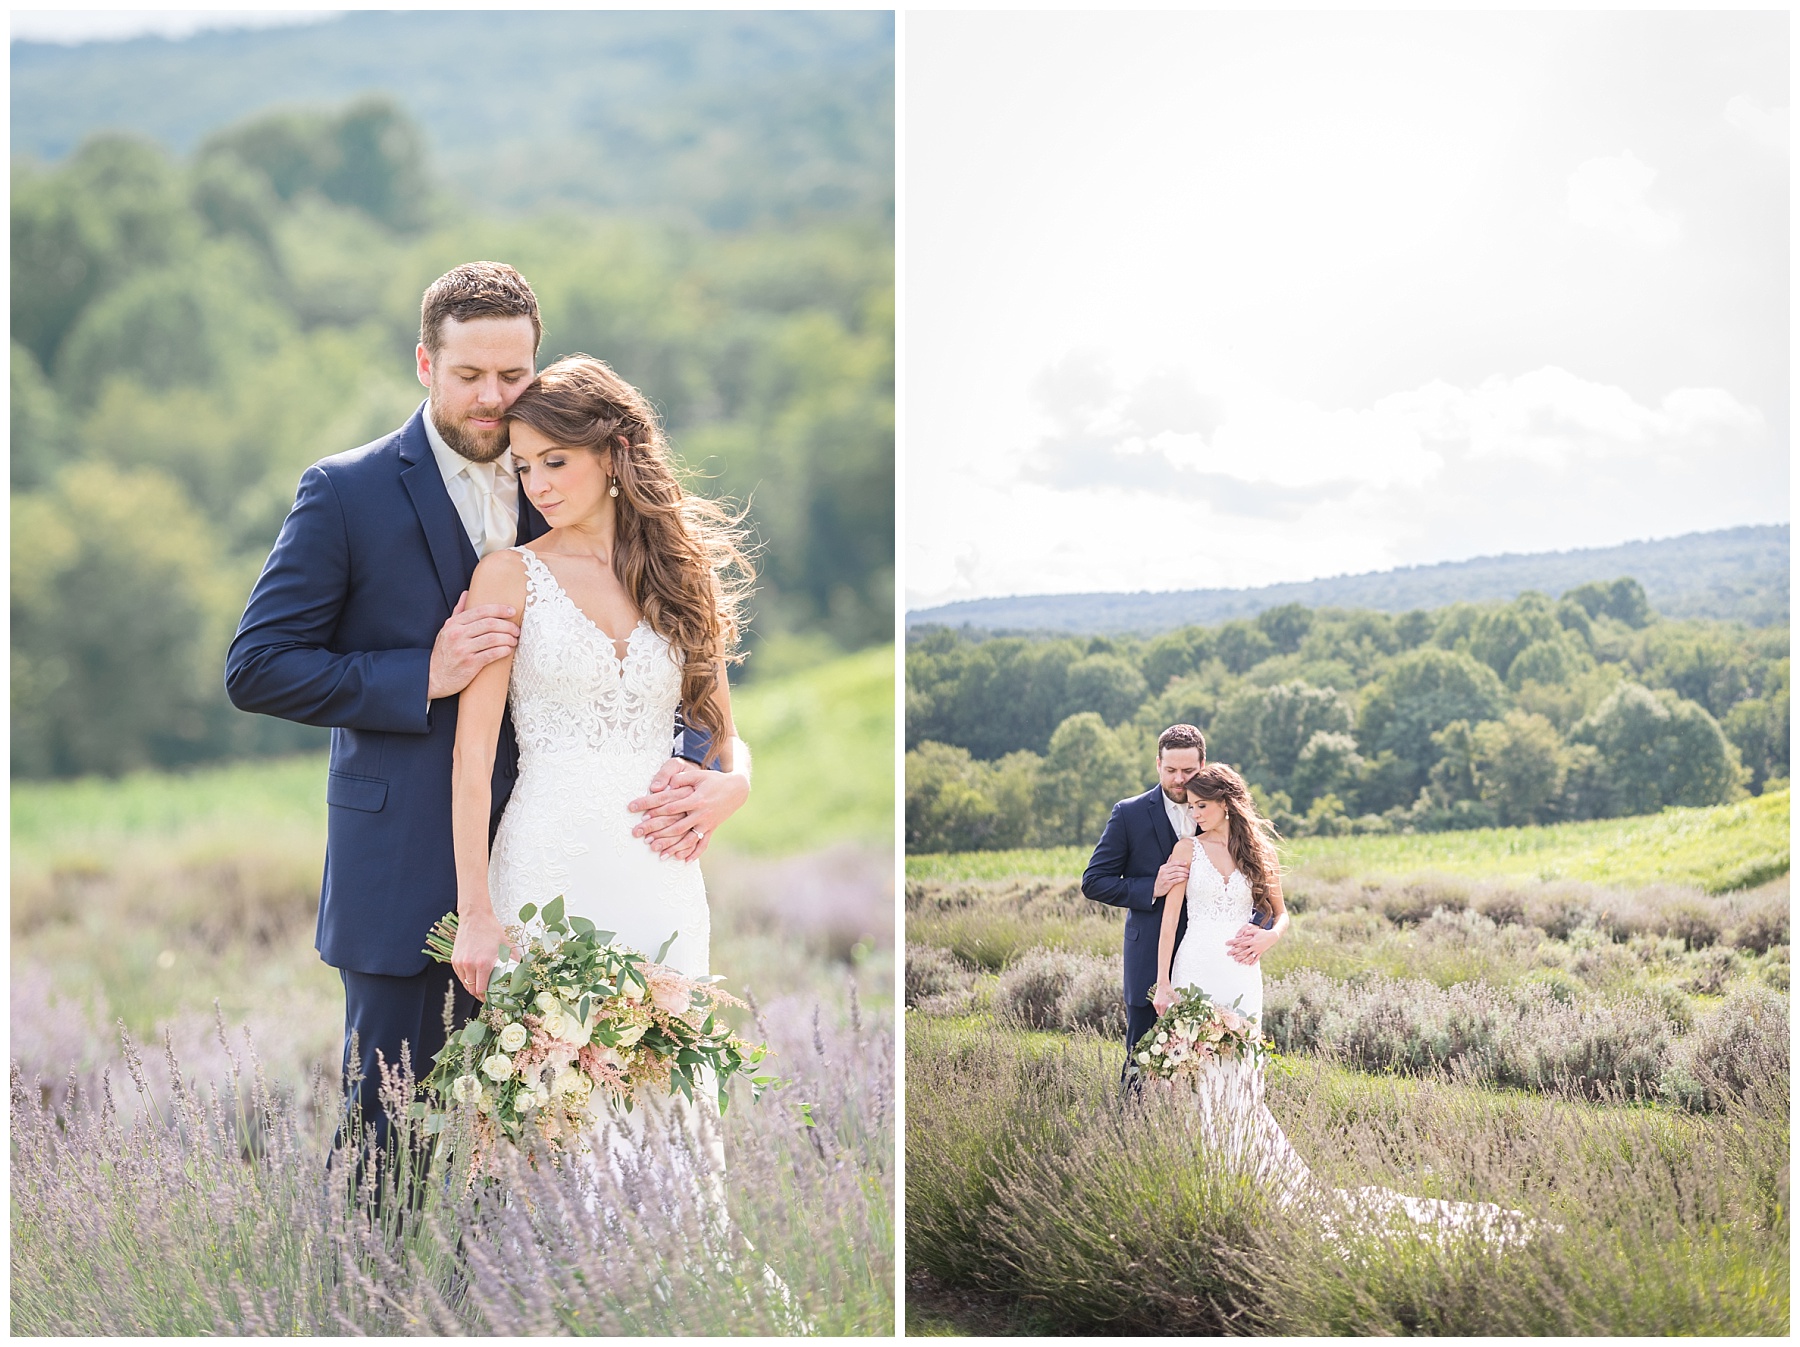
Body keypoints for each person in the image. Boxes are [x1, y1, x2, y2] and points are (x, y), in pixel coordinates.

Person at [224, 262, 749, 1159]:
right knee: (390, 1156)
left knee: (543, 1167)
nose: (493, 398)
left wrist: (733, 781)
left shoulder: (554, 468)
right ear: (425, 364)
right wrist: (417, 674)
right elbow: (258, 667)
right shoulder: (344, 492)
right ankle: (370, 1303)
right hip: (411, 874)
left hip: (584, 868)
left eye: (513, 377)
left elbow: (693, 708)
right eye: (470, 375)